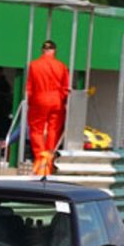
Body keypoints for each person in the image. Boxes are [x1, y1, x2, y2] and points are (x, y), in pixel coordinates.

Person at [26, 40, 70, 176]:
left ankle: (41, 158)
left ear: (42, 50)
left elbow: (29, 88)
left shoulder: (34, 65)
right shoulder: (61, 66)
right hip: (56, 100)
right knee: (53, 130)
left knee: (37, 130)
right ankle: (49, 160)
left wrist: (31, 102)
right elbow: (66, 87)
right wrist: (61, 98)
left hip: (39, 99)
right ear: (54, 51)